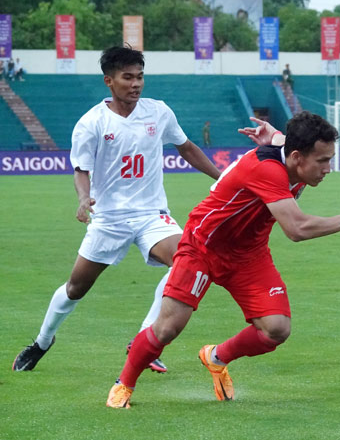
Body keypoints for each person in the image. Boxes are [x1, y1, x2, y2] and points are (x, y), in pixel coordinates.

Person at [106, 112, 340, 408]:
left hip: (248, 255)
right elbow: (296, 229)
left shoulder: (291, 156)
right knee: (166, 329)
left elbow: (280, 140)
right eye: (323, 161)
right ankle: (124, 384)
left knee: (276, 329)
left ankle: (216, 358)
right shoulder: (267, 170)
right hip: (203, 248)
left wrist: (275, 132)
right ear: (296, 157)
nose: (328, 168)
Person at [12, 45, 221, 374]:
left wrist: (223, 178)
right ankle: (43, 340)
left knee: (187, 260)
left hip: (152, 214)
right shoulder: (91, 123)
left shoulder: (158, 112)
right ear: (109, 81)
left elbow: (187, 148)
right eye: (128, 77)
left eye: (140, 76)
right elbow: (81, 169)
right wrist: (84, 199)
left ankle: (144, 341)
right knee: (75, 288)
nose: (136, 84)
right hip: (109, 219)